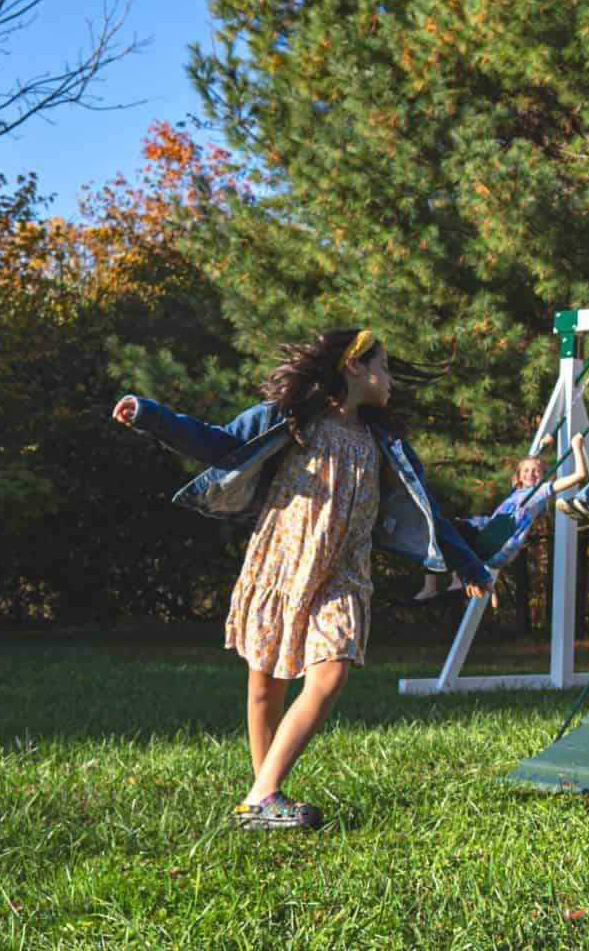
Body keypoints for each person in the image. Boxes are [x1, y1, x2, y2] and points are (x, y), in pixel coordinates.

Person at [111, 329, 492, 831]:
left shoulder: (386, 441)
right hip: (283, 563)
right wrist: (151, 416)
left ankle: (260, 797)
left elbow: (429, 510)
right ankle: (265, 799)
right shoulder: (289, 417)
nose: (392, 379)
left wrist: (467, 564)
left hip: (344, 573)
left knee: (330, 675)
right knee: (264, 684)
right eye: (386, 366)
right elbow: (217, 442)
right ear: (355, 366)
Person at [404, 433, 589, 606]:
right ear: (518, 475)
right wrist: (544, 445)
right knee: (440, 529)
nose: (530, 474)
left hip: (500, 542)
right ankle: (436, 585)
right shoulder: (518, 491)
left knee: (453, 534)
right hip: (489, 532)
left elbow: (579, 475)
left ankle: (460, 580)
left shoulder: (540, 491)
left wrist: (577, 446)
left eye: (536, 471)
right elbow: (532, 461)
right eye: (525, 471)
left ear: (544, 475)